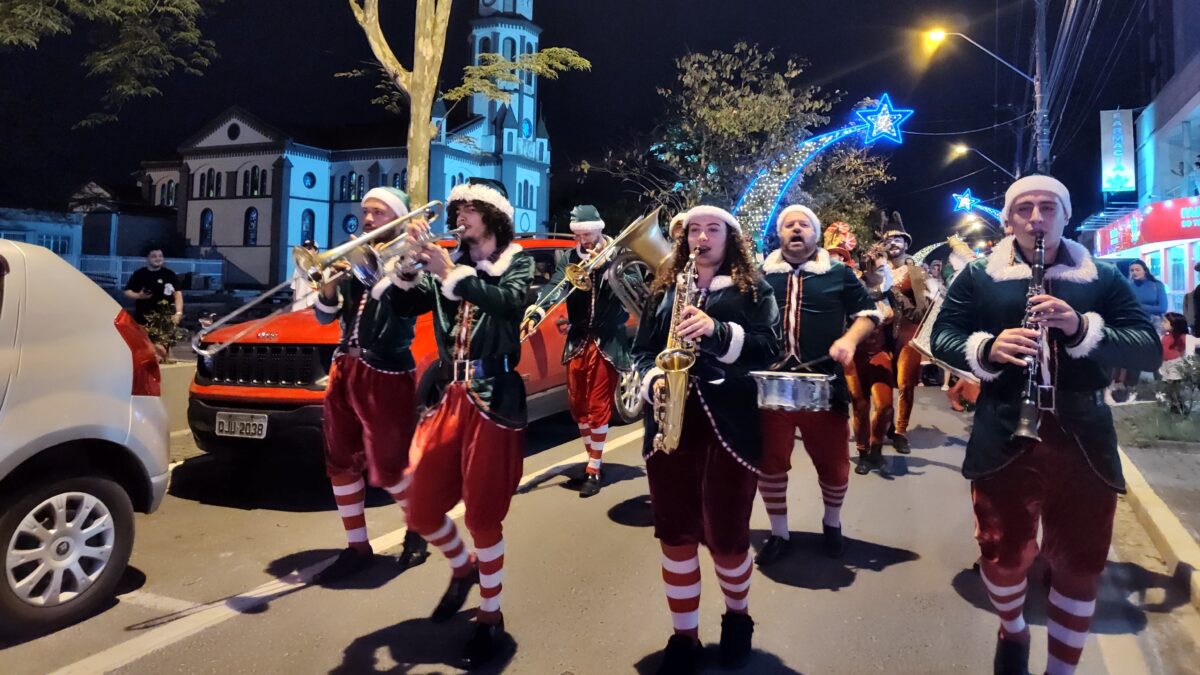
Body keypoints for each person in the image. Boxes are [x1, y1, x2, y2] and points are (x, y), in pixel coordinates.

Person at [932, 175, 1161, 675]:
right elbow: (941, 336)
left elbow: (1146, 346)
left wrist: (1081, 328)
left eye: (1049, 208)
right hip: (1004, 430)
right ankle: (1012, 627)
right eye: (1025, 209)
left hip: (1083, 436)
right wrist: (986, 349)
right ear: (1010, 219)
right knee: (1002, 555)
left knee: (1080, 564)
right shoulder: (978, 276)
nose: (1037, 218)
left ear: (1065, 215)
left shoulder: (1100, 276)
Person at [387, 177, 532, 668]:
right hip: (451, 396)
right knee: (421, 507)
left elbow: (509, 304)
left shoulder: (519, 262)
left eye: (468, 209)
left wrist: (450, 271)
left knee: (484, 516)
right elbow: (405, 304)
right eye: (457, 209)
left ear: (493, 216)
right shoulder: (454, 262)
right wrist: (403, 268)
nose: (459, 217)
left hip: (494, 396)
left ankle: (490, 617)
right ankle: (462, 566)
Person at [632, 204, 779, 674]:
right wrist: (654, 375)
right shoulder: (664, 290)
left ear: (729, 237)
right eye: (692, 230)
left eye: (712, 228)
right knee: (674, 534)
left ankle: (738, 620)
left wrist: (718, 331)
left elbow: (769, 348)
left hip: (729, 426)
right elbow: (640, 353)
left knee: (729, 538)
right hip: (670, 426)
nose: (701, 236)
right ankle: (685, 637)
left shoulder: (753, 289)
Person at [310, 187, 428, 585]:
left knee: (391, 464)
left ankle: (418, 526)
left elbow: (407, 298)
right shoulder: (353, 255)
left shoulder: (410, 257)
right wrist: (328, 285)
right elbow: (326, 319)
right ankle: (357, 546)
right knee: (339, 459)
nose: (367, 218)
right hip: (345, 365)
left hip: (387, 370)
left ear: (394, 217)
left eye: (377, 212)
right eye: (365, 211)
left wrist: (378, 265)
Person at [754, 205, 879, 567]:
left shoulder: (838, 273)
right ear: (779, 234)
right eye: (789, 224)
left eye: (804, 224)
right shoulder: (760, 275)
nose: (796, 229)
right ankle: (779, 532)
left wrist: (850, 341)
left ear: (816, 233)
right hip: (770, 385)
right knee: (770, 464)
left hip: (824, 385)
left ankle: (832, 523)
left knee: (835, 466)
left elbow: (868, 315)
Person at [521, 205, 638, 498]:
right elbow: (555, 286)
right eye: (580, 234)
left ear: (599, 229)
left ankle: (594, 469)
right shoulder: (572, 258)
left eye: (588, 233)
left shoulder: (618, 256)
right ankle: (591, 458)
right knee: (578, 405)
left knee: (599, 404)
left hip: (607, 339)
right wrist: (536, 313)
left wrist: (611, 271)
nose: (584, 239)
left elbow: (635, 285)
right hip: (578, 338)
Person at [878, 212, 929, 454]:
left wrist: (896, 294)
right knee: (882, 384)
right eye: (888, 239)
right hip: (880, 335)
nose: (893, 243)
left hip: (908, 334)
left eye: (898, 239)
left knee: (905, 383)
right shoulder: (876, 270)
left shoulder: (915, 271)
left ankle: (900, 431)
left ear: (906, 243)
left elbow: (921, 310)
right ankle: (885, 424)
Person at [847, 244, 898, 474]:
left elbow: (902, 322)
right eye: (879, 268)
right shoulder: (852, 292)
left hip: (880, 352)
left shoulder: (890, 294)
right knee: (860, 406)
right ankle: (864, 452)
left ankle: (877, 449)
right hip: (855, 355)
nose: (885, 272)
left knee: (885, 406)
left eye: (886, 267)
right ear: (866, 270)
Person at [124, 244, 184, 362]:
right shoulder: (140, 274)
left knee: (165, 345)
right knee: (149, 347)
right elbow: (127, 292)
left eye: (160, 256)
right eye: (154, 256)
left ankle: (167, 361)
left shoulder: (169, 274)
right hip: (144, 317)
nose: (158, 258)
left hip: (165, 317)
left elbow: (177, 295)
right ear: (147, 258)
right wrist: (138, 296)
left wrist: (178, 312)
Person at [1160, 312, 1197, 414]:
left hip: (1176, 365)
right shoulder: (1164, 337)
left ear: (1174, 324)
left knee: (1174, 387)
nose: (1162, 323)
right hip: (1165, 364)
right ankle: (1175, 405)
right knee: (1169, 387)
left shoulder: (1183, 337)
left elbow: (1196, 342)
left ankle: (1178, 406)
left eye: (1165, 321)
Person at [292, 240, 320, 311]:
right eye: (304, 249)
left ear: (316, 251)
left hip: (315, 307)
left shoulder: (320, 268)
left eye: (309, 248)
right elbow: (294, 290)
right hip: (299, 307)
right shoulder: (297, 269)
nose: (306, 251)